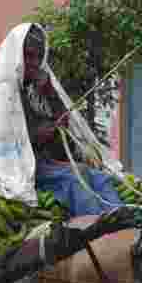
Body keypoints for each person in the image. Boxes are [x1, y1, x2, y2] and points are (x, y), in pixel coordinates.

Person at [19, 25, 124, 218]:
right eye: (29, 56)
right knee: (74, 179)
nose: (34, 63)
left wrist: (50, 94)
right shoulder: (5, 94)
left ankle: (123, 222)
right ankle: (100, 229)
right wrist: (38, 135)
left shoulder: (35, 92)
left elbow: (62, 122)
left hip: (48, 163)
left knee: (99, 178)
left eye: (38, 57)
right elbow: (4, 139)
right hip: (23, 168)